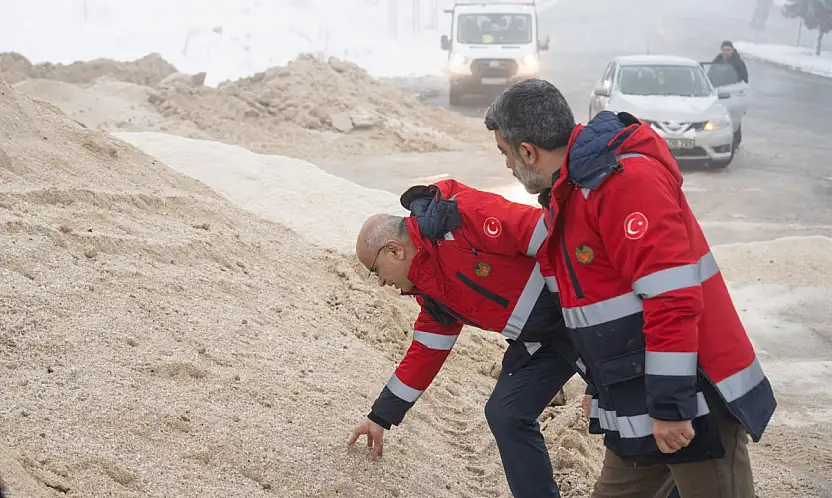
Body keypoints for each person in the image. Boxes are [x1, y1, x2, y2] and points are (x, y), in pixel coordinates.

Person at [483, 78, 777, 497]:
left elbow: (671, 299)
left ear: (527, 150)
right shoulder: (571, 195)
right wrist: (598, 389)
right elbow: (600, 312)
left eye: (505, 155)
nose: (508, 167)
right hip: (639, 401)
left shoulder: (621, 182)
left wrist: (671, 406)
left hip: (691, 401)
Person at [347, 179, 583, 498]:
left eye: (375, 271)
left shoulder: (465, 216)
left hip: (581, 315)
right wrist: (380, 417)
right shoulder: (430, 289)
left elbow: (551, 235)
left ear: (394, 250)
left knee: (630, 411)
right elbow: (426, 351)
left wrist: (577, 313)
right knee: (506, 413)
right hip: (539, 341)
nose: (380, 283)